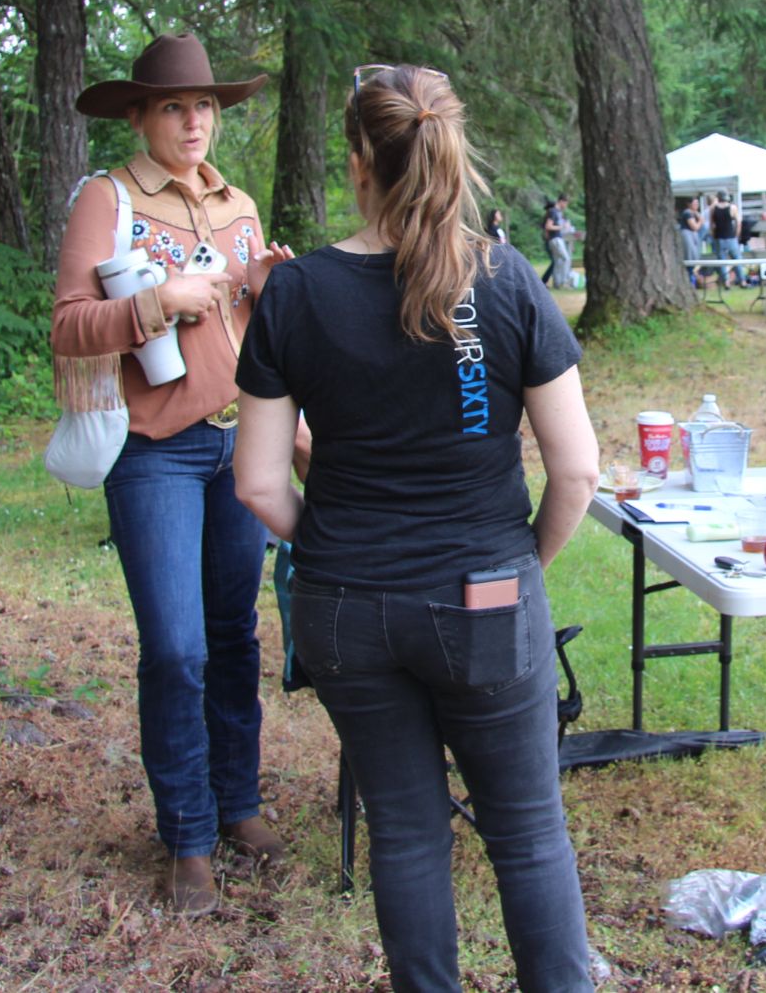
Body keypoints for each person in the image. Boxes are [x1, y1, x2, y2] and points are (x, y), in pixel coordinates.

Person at [234, 65, 600, 991]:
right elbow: (578, 469)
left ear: (358, 162)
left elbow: (257, 485)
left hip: (344, 604)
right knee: (524, 829)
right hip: (484, 592)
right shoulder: (508, 280)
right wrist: (521, 560)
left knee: (405, 829)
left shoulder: (295, 292)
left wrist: (334, 540)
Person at [50, 33, 296, 915]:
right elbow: (71, 324)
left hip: (241, 444)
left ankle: (239, 805)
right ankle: (187, 834)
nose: (195, 123)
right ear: (140, 115)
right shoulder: (106, 198)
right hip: (154, 454)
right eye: (174, 107)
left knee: (233, 638)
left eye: (207, 107)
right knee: (177, 647)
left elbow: (253, 337)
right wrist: (160, 301)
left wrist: (267, 290)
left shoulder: (240, 204)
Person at [708, 189, 742, 287]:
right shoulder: (732, 208)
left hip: (719, 237)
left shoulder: (713, 208)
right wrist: (737, 235)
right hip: (731, 237)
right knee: (737, 259)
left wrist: (713, 235)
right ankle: (742, 280)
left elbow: (711, 225)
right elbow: (738, 222)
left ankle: (726, 282)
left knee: (722, 261)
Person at [542, 194, 576, 289]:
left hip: (557, 238)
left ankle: (557, 283)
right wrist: (562, 227)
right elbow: (548, 226)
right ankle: (564, 281)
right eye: (566, 203)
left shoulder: (558, 213)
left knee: (558, 261)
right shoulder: (553, 211)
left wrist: (565, 226)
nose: (566, 206)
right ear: (561, 201)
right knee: (566, 259)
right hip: (555, 239)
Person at [678, 196, 705, 284]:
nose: (696, 205)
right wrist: (700, 221)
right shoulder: (687, 213)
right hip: (687, 236)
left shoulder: (694, 213)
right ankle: (690, 280)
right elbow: (695, 227)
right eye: (694, 203)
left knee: (695, 256)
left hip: (693, 237)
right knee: (690, 256)